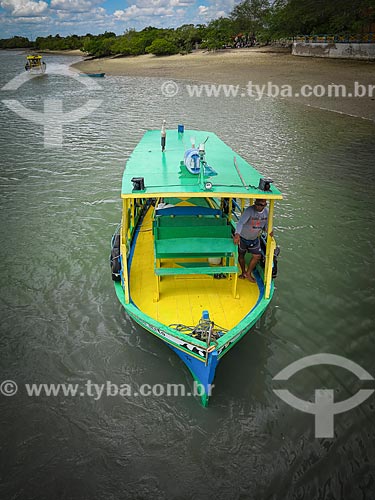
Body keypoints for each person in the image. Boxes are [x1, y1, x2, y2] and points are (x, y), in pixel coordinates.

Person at [233, 199, 273, 283]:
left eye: (260, 205)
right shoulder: (249, 211)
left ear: (265, 205)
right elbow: (240, 223)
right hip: (243, 237)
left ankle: (248, 273)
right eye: (256, 204)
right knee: (241, 255)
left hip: (254, 239)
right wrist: (237, 234)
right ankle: (243, 272)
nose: (257, 206)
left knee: (257, 256)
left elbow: (266, 225)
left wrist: (269, 231)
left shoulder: (266, 212)